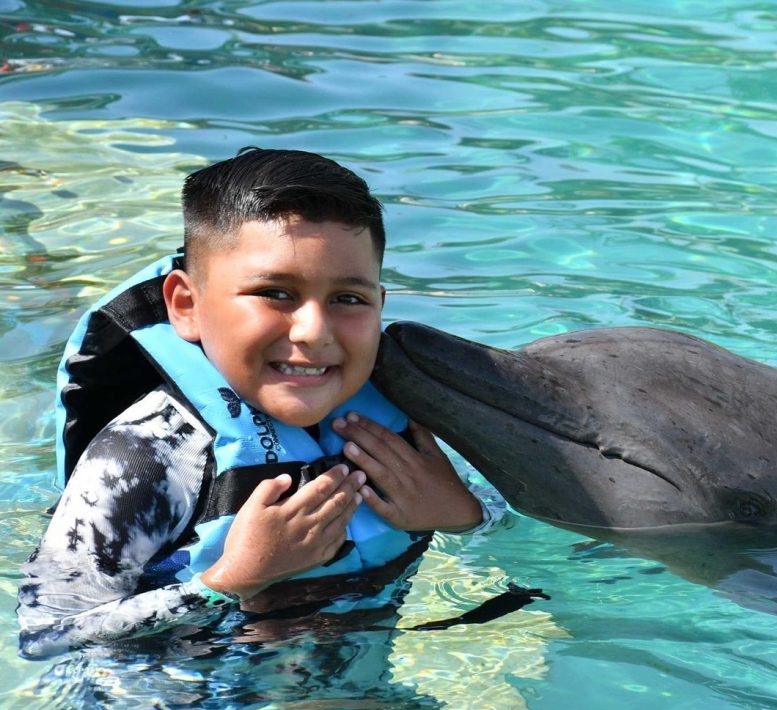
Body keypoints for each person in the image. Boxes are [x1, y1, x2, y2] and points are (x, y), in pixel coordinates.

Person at [18, 148, 489, 661]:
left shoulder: (394, 426)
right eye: (275, 293)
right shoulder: (144, 456)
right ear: (187, 306)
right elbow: (47, 635)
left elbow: (513, 530)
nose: (313, 331)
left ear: (380, 303)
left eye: (348, 299)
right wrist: (228, 581)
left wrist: (465, 516)